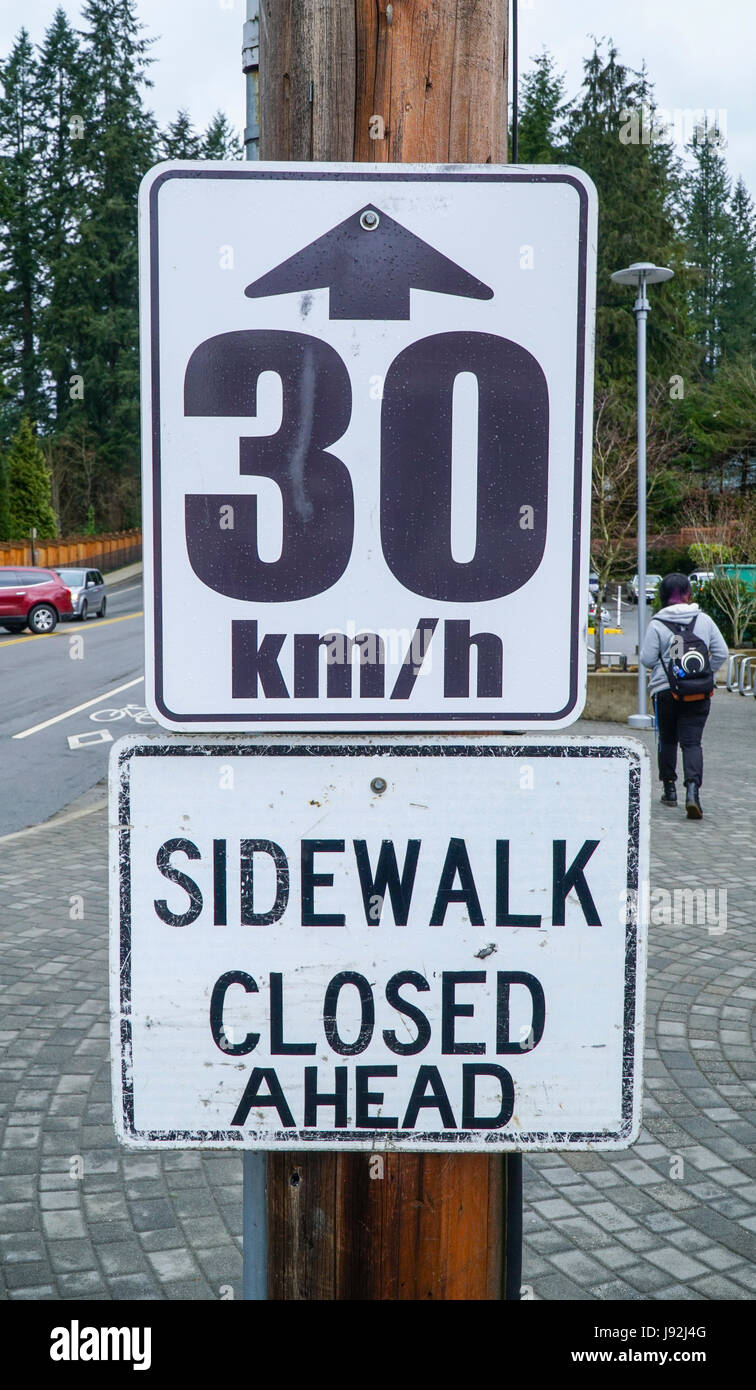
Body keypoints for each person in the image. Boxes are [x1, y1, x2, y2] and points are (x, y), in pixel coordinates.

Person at [640, 572, 728, 819]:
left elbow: (647, 659)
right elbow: (721, 653)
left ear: (662, 596)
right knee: (692, 743)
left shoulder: (657, 624)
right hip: (697, 694)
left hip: (665, 691)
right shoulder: (704, 620)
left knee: (667, 740)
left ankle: (669, 790)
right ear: (688, 594)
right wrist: (701, 675)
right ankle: (692, 792)